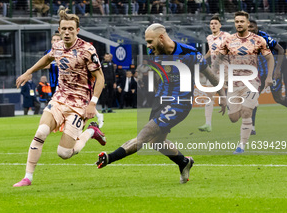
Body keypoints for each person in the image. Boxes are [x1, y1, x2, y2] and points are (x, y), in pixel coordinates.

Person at [96, 23, 226, 184]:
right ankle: (184, 162)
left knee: (143, 136)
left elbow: (210, 75)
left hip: (180, 103)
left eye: (150, 41)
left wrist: (223, 96)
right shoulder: (154, 53)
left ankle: (109, 157)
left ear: (162, 38)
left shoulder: (189, 53)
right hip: (160, 101)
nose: (148, 46)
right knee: (156, 142)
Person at [13, 10, 106, 187]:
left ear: (77, 30)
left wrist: (92, 104)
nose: (67, 32)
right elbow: (47, 58)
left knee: (64, 153)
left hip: (79, 105)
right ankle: (28, 177)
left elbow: (100, 78)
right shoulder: (57, 46)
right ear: (59, 29)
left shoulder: (87, 50)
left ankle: (91, 132)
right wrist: (28, 72)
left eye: (71, 28)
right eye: (64, 29)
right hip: (58, 100)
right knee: (40, 132)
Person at [217, 11, 274, 154]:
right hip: (233, 83)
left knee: (247, 112)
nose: (239, 24)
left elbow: (270, 58)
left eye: (242, 21)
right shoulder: (228, 40)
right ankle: (249, 104)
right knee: (233, 118)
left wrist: (269, 77)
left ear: (248, 23)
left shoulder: (258, 40)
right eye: (237, 22)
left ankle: (241, 146)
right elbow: (218, 59)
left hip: (252, 81)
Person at [248, 20, 286, 135]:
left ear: (257, 27)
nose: (250, 29)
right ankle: (251, 127)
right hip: (258, 74)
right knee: (252, 99)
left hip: (272, 71)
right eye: (248, 27)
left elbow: (280, 49)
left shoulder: (263, 36)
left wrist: (278, 69)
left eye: (252, 27)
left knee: (278, 98)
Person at [198, 15, 230, 132]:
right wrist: (202, 58)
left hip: (225, 69)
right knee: (209, 95)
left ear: (220, 25)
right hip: (213, 70)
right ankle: (208, 124)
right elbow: (210, 51)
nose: (213, 25)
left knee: (226, 96)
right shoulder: (209, 38)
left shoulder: (226, 36)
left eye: (216, 23)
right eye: (211, 23)